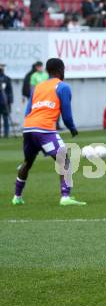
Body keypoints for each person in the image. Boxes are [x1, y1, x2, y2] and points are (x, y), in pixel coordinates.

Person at [12, 58, 86, 206]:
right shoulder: (63, 87)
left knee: (28, 162)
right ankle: (65, 197)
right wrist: (72, 127)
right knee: (64, 159)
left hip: (28, 128)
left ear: (47, 70)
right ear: (61, 69)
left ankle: (17, 197)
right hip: (44, 129)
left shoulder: (38, 87)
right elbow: (66, 114)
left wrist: (30, 125)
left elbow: (28, 110)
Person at [0, 63, 13, 138]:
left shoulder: (6, 79)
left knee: (5, 118)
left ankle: (6, 133)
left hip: (5, 101)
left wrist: (10, 101)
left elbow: (10, 91)